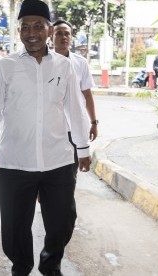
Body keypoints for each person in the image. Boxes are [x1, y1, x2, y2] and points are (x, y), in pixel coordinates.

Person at [0, 0, 91, 275]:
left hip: (58, 160)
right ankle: (21, 266)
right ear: (18, 32)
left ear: (49, 30)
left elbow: (76, 108)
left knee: (63, 221)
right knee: (15, 227)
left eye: (38, 26)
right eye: (25, 27)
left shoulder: (65, 66)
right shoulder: (5, 66)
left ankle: (50, 264)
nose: (32, 33)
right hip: (15, 162)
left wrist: (83, 147)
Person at [52, 18, 98, 174]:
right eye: (59, 33)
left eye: (67, 34)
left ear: (71, 37)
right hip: (50, 130)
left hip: (74, 130)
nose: (64, 37)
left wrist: (93, 122)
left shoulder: (80, 63)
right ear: (51, 36)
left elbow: (87, 96)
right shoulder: (42, 63)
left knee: (70, 176)